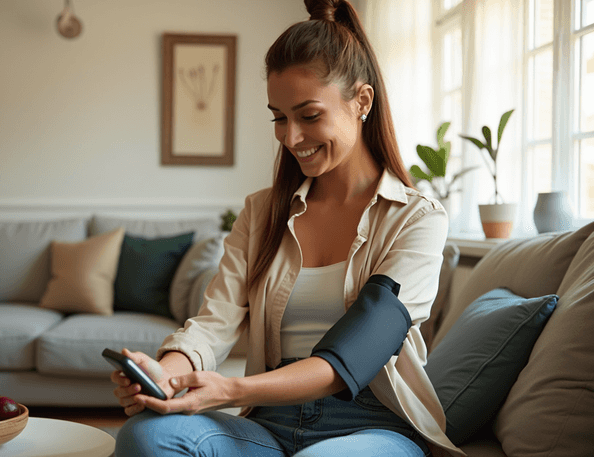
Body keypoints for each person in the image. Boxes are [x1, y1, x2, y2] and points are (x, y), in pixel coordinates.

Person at [111, 1, 465, 456]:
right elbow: (213, 323)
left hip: (372, 426)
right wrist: (166, 373)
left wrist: (234, 390)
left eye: (309, 115)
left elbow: (353, 356)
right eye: (279, 117)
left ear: (362, 101)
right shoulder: (261, 213)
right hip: (269, 426)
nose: (290, 137)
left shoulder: (416, 218)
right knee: (144, 436)